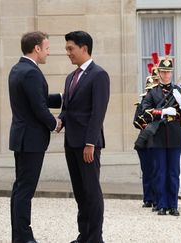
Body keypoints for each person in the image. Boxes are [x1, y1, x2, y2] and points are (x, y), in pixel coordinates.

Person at [8, 31, 62, 243]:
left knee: (20, 189)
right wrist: (54, 123)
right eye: (47, 48)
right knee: (25, 191)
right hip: (31, 140)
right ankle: (24, 237)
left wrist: (63, 98)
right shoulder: (31, 72)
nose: (49, 52)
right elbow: (38, 107)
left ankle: (19, 236)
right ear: (37, 48)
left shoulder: (18, 68)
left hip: (21, 137)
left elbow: (36, 98)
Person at [57, 31, 110, 243]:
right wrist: (60, 120)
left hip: (88, 145)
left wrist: (90, 143)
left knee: (92, 192)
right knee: (80, 193)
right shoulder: (71, 77)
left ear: (84, 48)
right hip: (71, 143)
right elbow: (67, 107)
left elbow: (98, 112)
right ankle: (84, 236)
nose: (68, 53)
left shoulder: (99, 75)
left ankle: (95, 239)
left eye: (71, 49)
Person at [141, 43, 181, 217]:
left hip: (175, 135)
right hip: (158, 136)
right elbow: (145, 112)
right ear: (159, 73)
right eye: (163, 72)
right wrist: (161, 111)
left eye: (169, 72)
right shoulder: (152, 92)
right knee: (160, 172)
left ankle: (173, 205)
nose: (166, 75)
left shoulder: (179, 91)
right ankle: (161, 204)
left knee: (174, 172)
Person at [133, 61, 159, 210]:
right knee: (147, 170)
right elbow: (136, 121)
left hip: (157, 139)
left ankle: (156, 197)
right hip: (145, 140)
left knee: (157, 170)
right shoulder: (143, 102)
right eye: (149, 88)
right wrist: (146, 125)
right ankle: (148, 197)